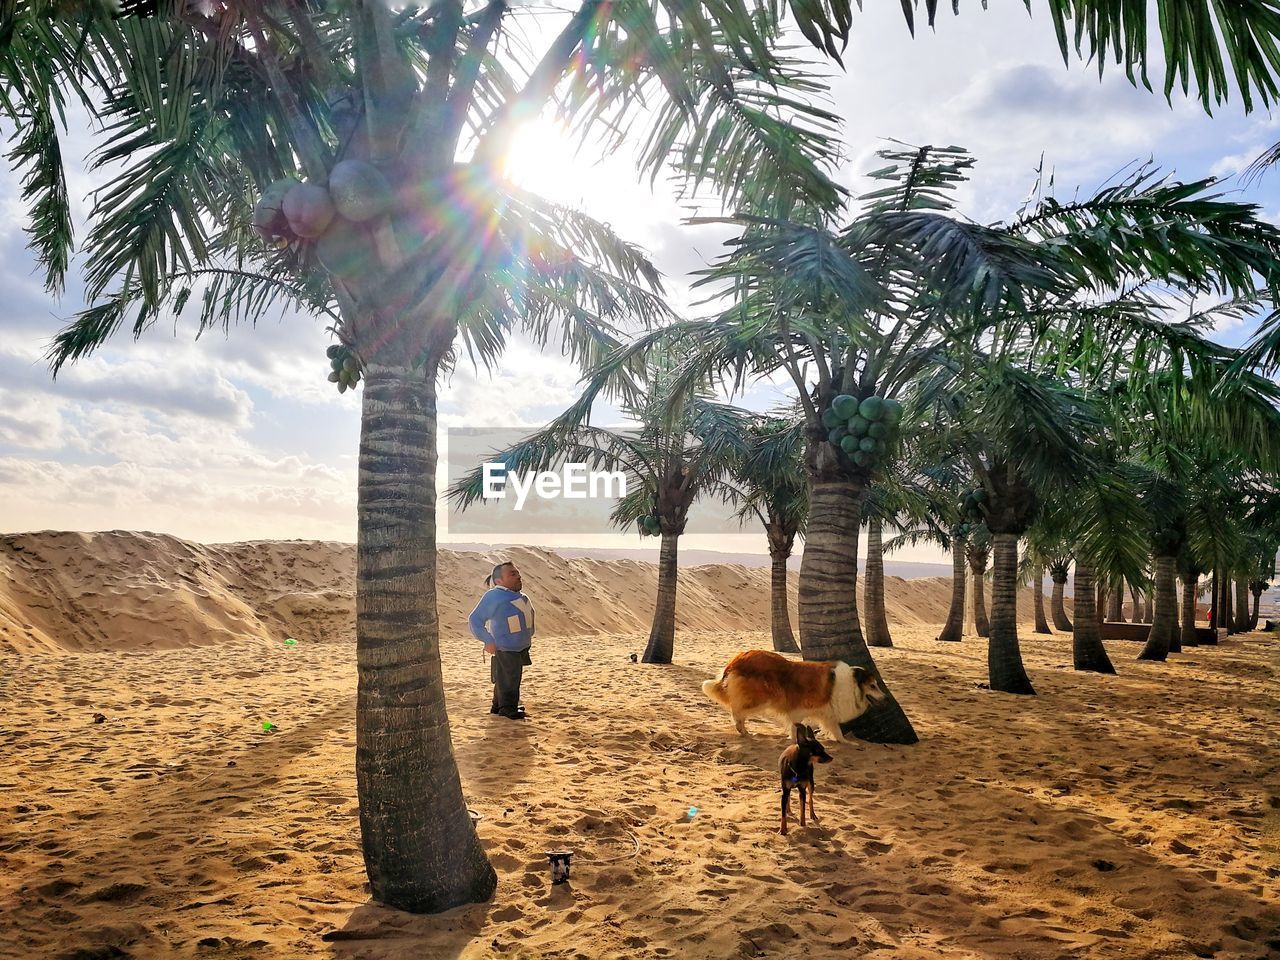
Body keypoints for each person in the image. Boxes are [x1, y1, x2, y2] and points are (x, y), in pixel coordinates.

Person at [468, 561, 535, 720]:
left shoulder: (521, 597)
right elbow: (475, 619)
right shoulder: (494, 596)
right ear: (499, 581)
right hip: (506, 647)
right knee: (510, 678)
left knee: (505, 677)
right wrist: (487, 640)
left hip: (520, 646)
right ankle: (508, 709)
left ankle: (498, 706)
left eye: (517, 572)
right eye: (512, 574)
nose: (518, 576)